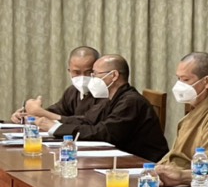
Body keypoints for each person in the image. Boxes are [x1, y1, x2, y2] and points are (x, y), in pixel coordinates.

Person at [38, 54, 168, 162]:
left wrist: (56, 128)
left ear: (114, 75)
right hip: (119, 159)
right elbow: (88, 121)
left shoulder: (131, 101)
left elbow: (104, 133)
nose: (92, 79)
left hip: (143, 164)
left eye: (95, 74)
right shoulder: (111, 98)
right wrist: (54, 123)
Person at [11, 46, 102, 123]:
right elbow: (56, 112)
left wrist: (41, 113)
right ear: (69, 71)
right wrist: (26, 115)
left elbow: (87, 123)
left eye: (89, 72)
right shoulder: (72, 91)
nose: (82, 77)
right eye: (76, 72)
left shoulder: (105, 93)